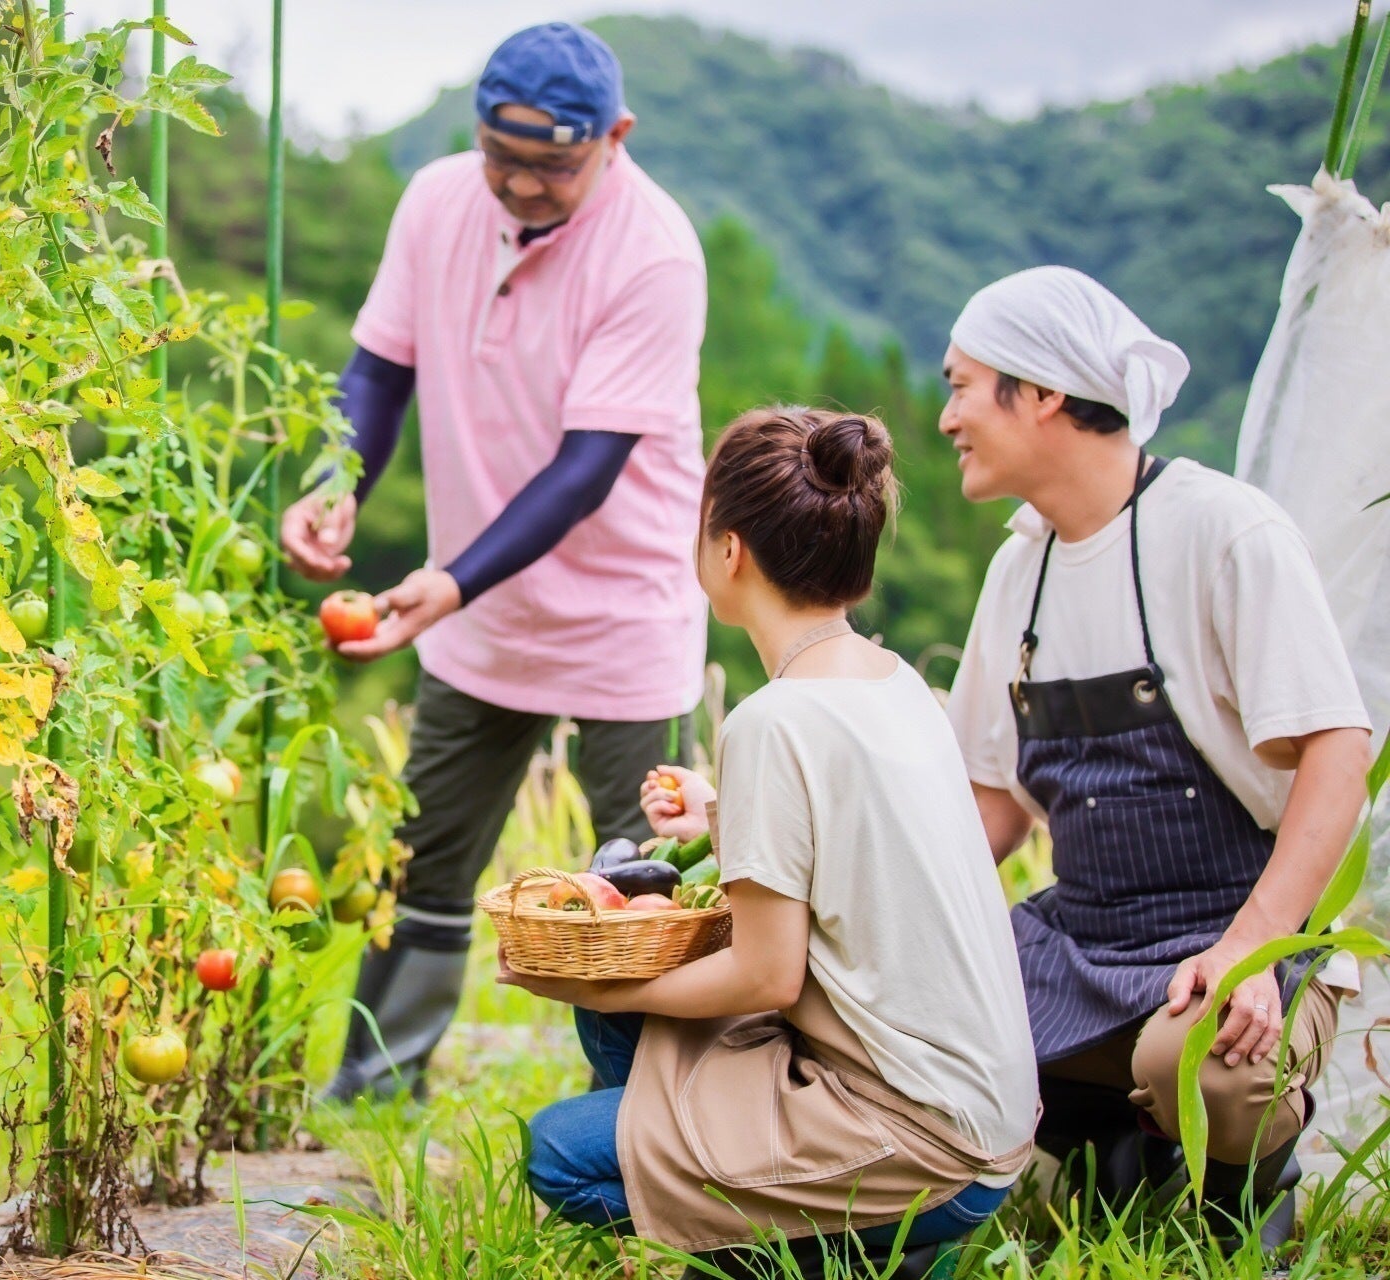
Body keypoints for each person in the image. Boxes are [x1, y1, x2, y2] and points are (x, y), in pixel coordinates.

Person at [280, 22, 709, 1101]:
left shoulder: (654, 252)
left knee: (643, 882)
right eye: (500, 156)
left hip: (623, 612)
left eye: (553, 165)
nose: (519, 183)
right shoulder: (435, 201)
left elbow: (587, 468)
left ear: (616, 137)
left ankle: (651, 1111)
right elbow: (377, 371)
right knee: (425, 854)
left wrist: (450, 579)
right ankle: (378, 1085)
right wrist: (340, 482)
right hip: (476, 605)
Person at [503, 408, 1038, 1264]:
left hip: (917, 1138)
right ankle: (731, 1178)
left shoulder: (773, 722)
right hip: (984, 1113)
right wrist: (725, 811)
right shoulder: (893, 683)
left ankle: (818, 1247)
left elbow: (766, 973)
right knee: (634, 1034)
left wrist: (601, 990)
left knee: (562, 1154)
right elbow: (854, 839)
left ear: (729, 550)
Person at [939, 266, 1374, 1241]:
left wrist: (1253, 946)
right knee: (929, 1004)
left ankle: (1244, 1194)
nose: (947, 416)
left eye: (962, 385)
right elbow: (995, 809)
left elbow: (1337, 753)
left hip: (1234, 939)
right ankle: (1109, 1155)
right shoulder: (1021, 566)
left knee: (1207, 1061)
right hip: (1085, 934)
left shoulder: (1221, 530)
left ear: (1043, 391)